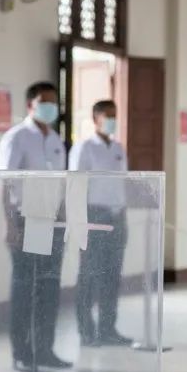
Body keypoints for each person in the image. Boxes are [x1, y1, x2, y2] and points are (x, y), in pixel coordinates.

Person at [0, 81, 70, 372]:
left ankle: (45, 349)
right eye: (44, 101)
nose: (50, 107)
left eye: (54, 102)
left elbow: (62, 183)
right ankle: (22, 353)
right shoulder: (16, 137)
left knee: (49, 288)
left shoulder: (55, 139)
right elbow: (4, 182)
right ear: (30, 105)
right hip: (25, 219)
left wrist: (64, 217)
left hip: (52, 221)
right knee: (26, 288)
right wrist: (10, 225)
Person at [68, 99, 132, 347]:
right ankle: (86, 331)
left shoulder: (118, 148)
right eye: (107, 115)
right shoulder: (84, 148)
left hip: (116, 217)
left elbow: (123, 183)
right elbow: (75, 185)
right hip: (93, 216)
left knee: (112, 275)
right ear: (96, 119)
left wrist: (123, 212)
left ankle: (108, 328)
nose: (112, 120)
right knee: (89, 275)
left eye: (115, 115)